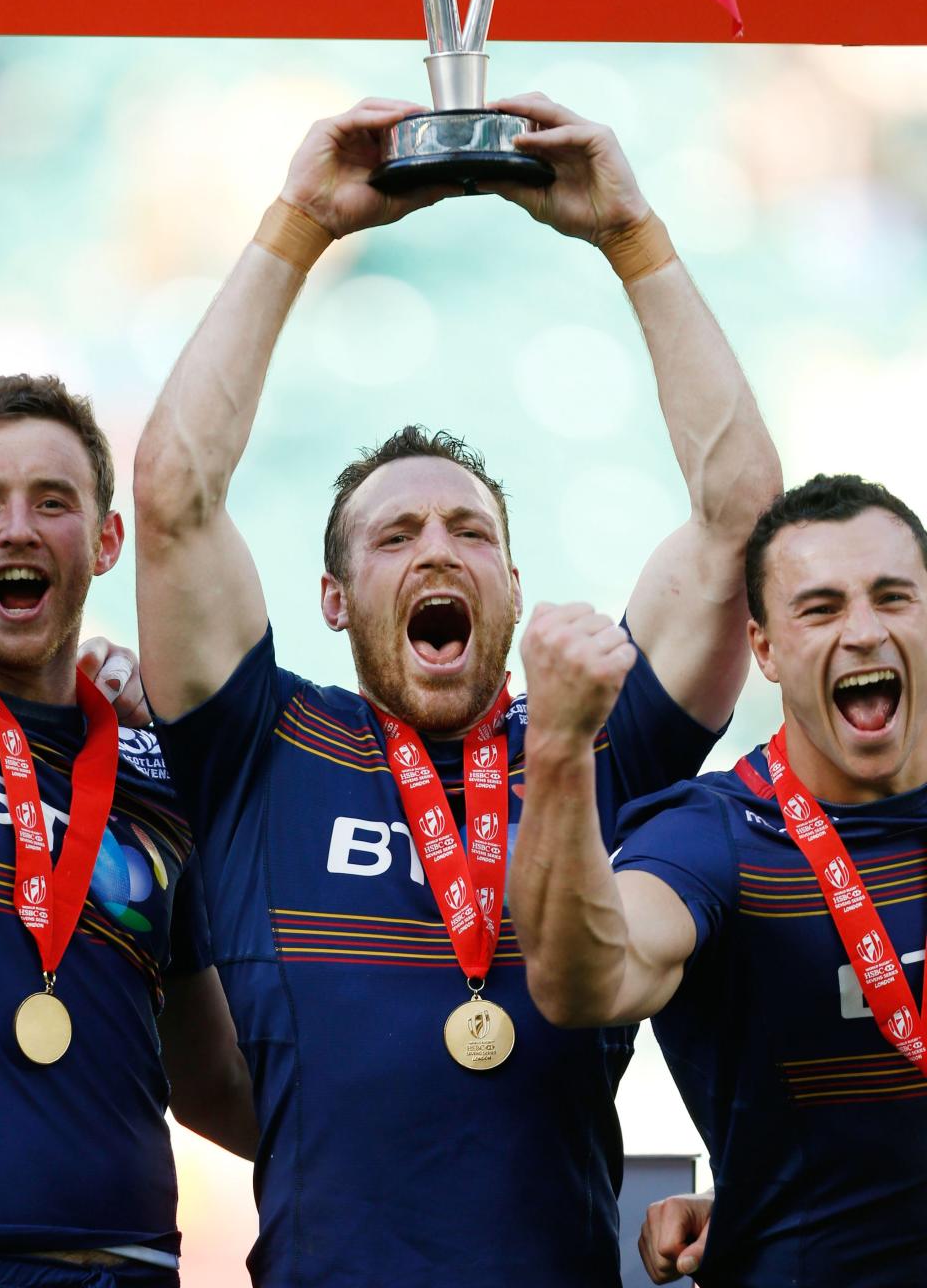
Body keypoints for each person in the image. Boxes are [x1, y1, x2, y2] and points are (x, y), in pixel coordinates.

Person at [132, 93, 781, 1288]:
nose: (436, 550)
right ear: (333, 600)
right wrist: (299, 227)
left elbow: (744, 520)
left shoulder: (593, 750)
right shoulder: (262, 747)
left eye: (468, 531)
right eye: (393, 537)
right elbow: (173, 493)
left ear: (514, 583)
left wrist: (632, 238)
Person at [512, 472, 927, 1287]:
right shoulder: (716, 836)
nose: (866, 631)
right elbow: (585, 981)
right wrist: (559, 751)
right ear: (764, 649)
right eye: (821, 607)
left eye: (893, 597)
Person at [0, 373, 257, 1288]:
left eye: (52, 502)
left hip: (126, 1264)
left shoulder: (157, 772)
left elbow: (212, 1076)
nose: (18, 528)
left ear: (105, 541)